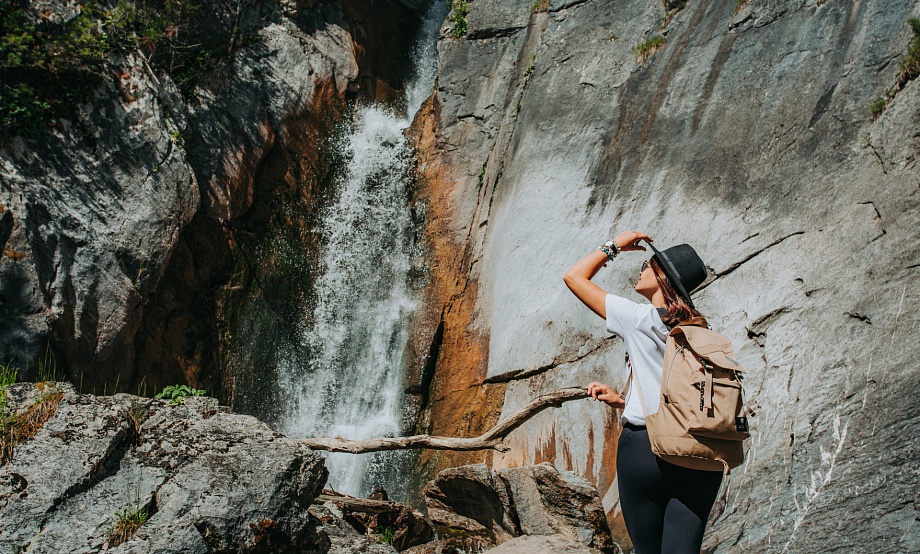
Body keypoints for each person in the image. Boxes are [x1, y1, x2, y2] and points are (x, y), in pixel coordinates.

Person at [563, 230, 722, 554]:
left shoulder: (639, 319)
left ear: (663, 278)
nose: (641, 270)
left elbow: (574, 276)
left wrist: (615, 246)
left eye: (649, 266)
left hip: (647, 449)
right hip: (702, 454)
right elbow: (685, 399)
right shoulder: (702, 330)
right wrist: (624, 401)